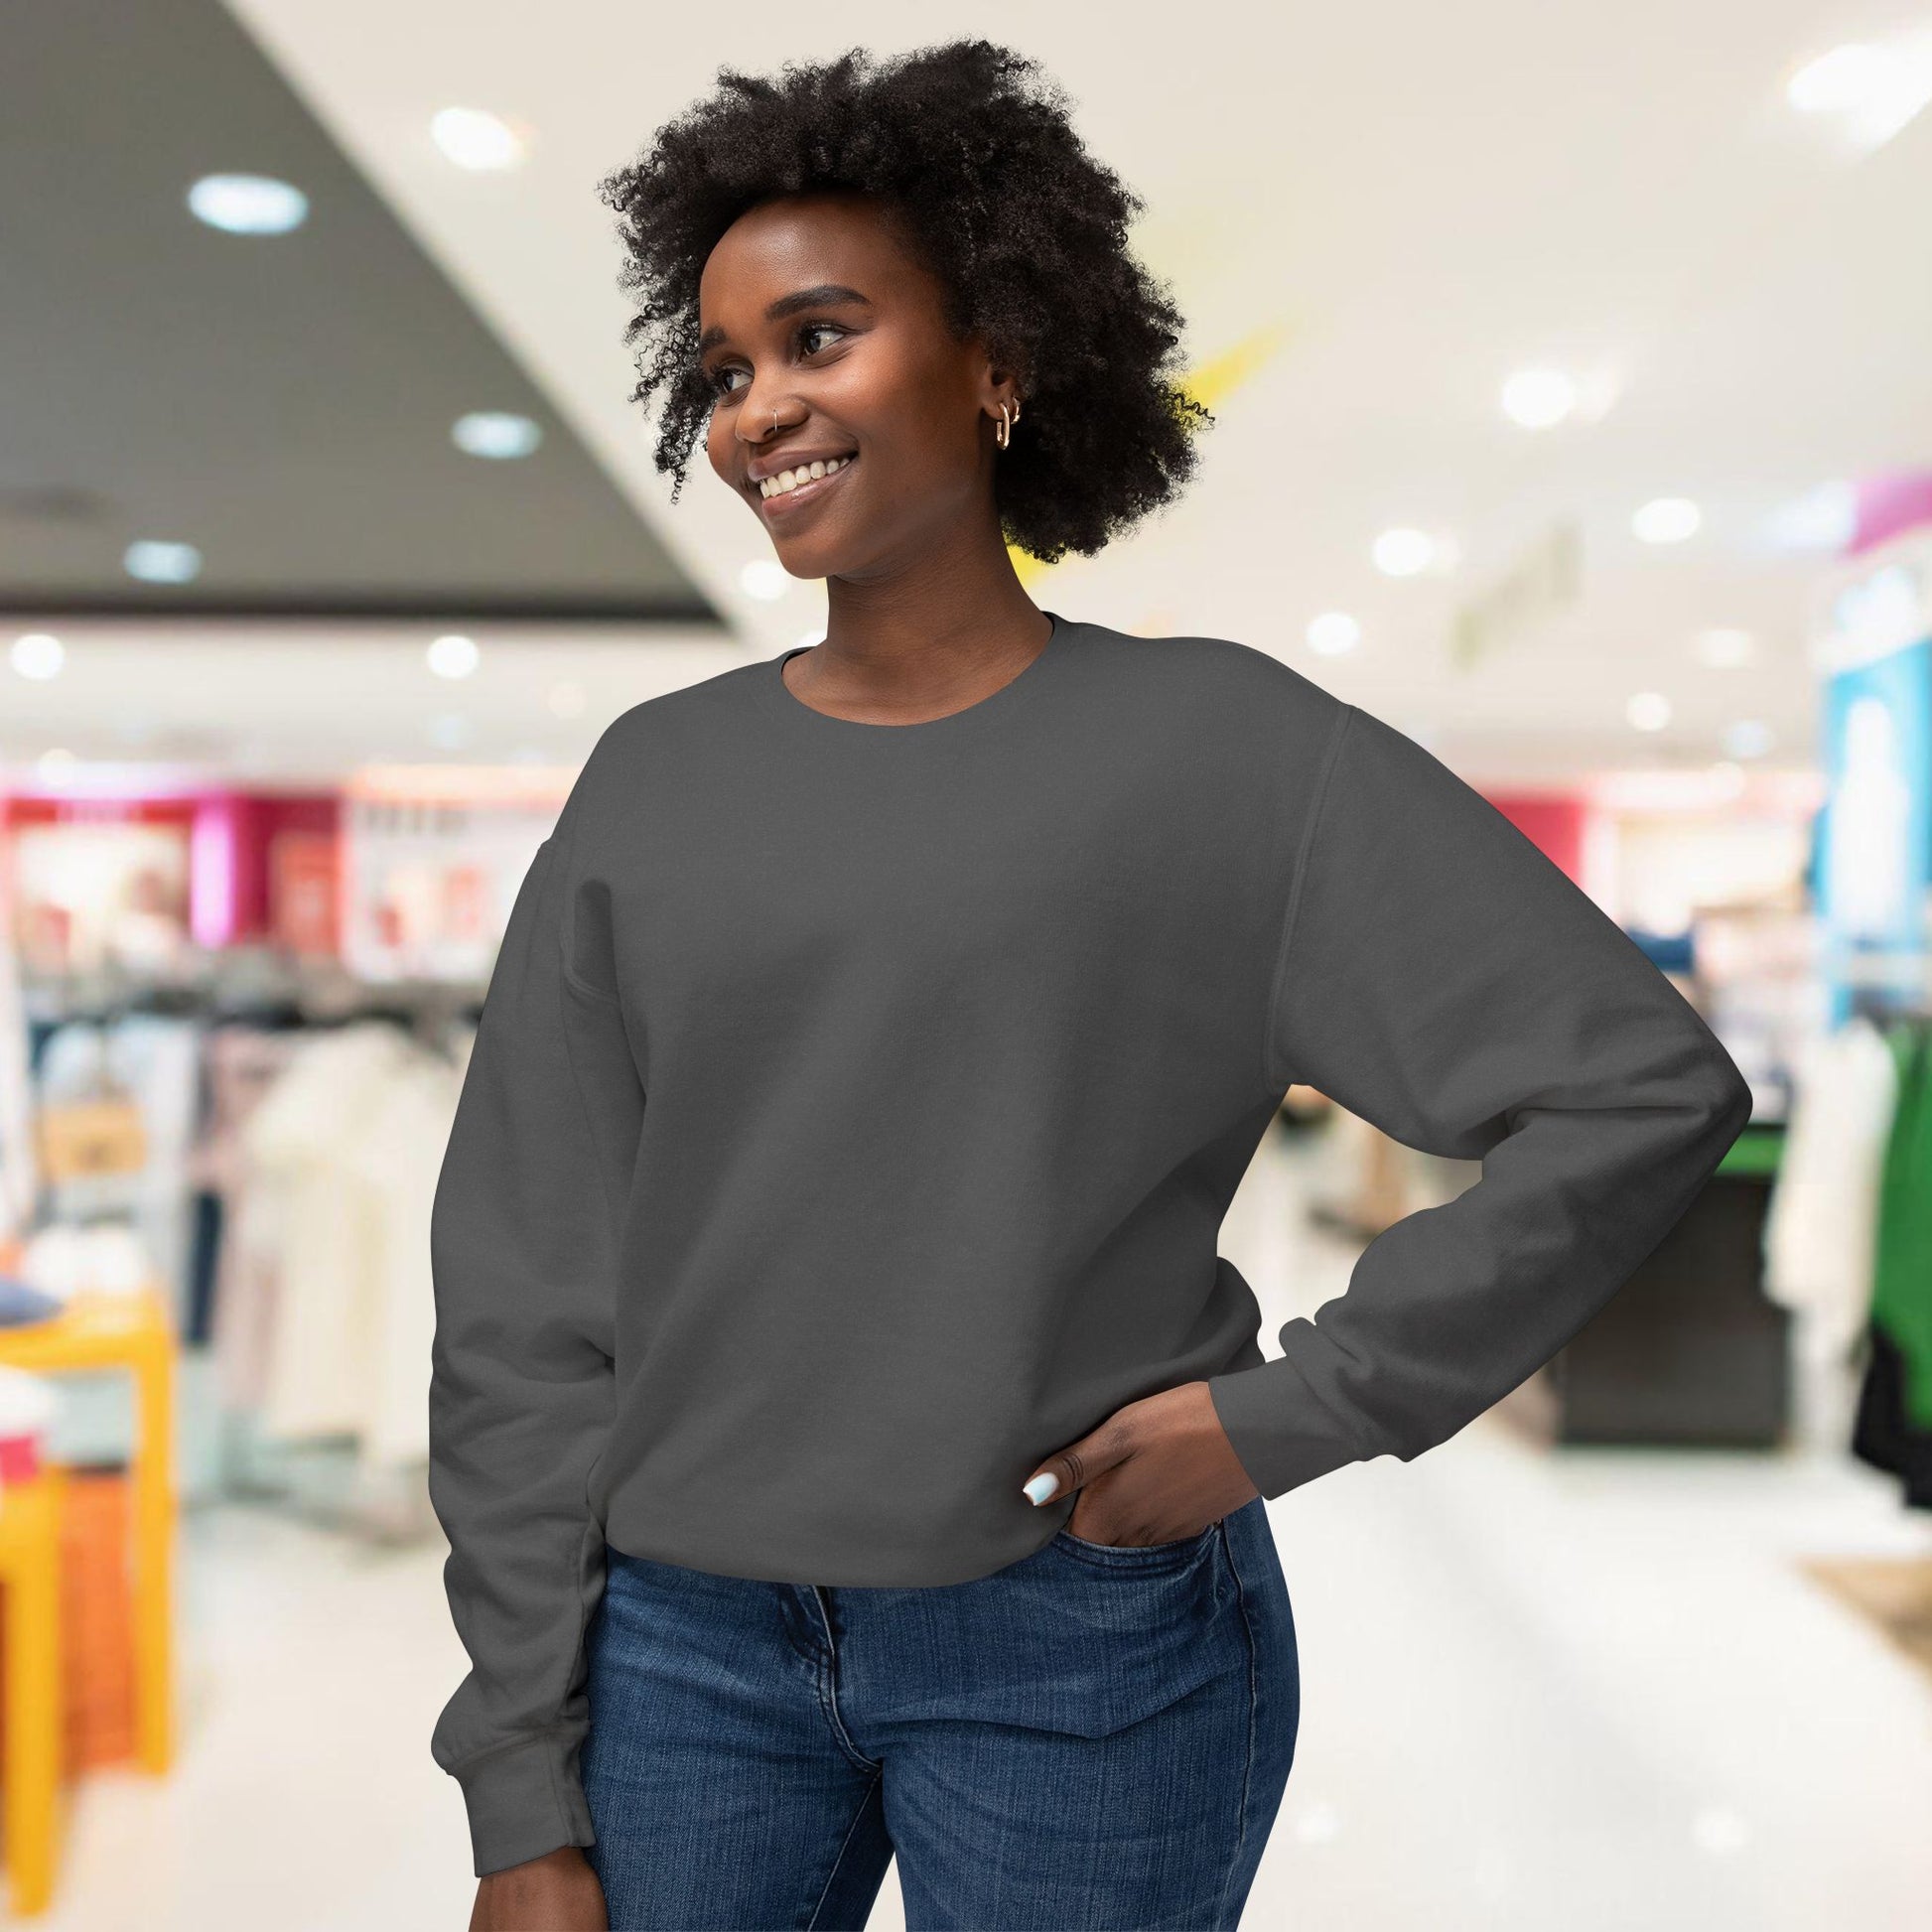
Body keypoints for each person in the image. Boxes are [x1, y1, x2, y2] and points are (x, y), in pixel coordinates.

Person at [427, 40, 1752, 1932]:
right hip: (681, 1653)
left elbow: (1636, 1087)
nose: (753, 411)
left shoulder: (1225, 753)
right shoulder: (654, 779)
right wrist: (514, 1785)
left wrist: (1304, 1405)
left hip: (1083, 1645)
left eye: (817, 336)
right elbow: (522, 1292)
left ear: (996, 356)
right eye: (720, 371)